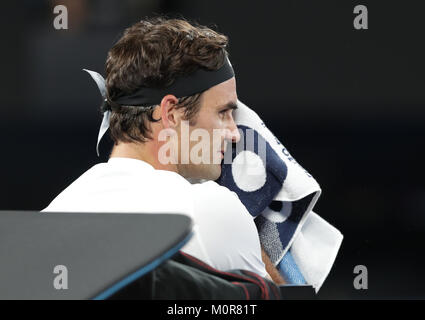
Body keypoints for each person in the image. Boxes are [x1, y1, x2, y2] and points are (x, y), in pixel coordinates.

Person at [43, 17, 284, 284]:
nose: (235, 132)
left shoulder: (53, 215)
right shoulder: (209, 208)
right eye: (223, 112)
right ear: (170, 113)